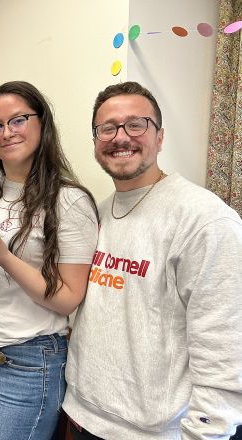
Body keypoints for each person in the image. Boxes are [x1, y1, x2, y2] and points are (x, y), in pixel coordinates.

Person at [63, 81, 242, 439]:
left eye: (136, 124)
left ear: (159, 137)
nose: (120, 137)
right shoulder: (96, 213)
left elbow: (224, 349)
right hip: (82, 414)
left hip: (154, 431)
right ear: (96, 141)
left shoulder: (204, 220)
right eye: (107, 128)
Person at [0, 81, 99, 440]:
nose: (6, 133)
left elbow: (68, 298)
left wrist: (3, 256)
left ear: (42, 123)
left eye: (18, 120)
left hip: (26, 360)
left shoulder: (70, 201)